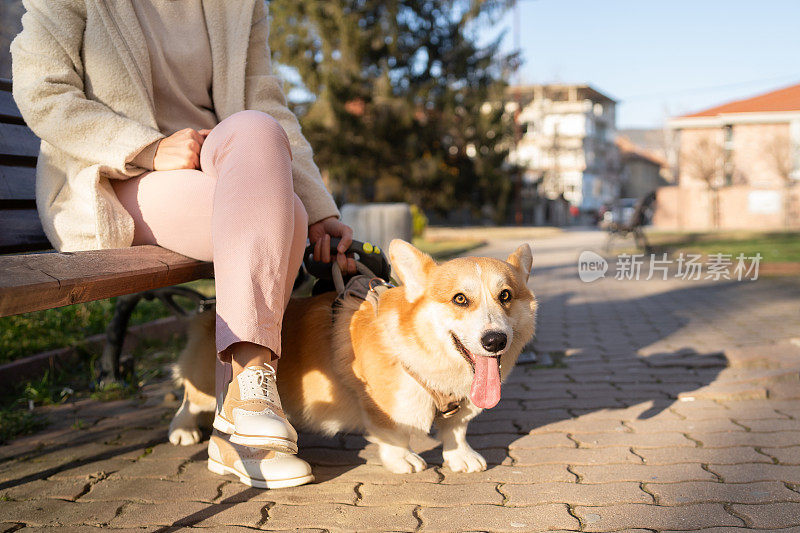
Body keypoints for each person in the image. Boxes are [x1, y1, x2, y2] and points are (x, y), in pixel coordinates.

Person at [11, 0, 354, 488]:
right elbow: (42, 90)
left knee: (260, 129)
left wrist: (321, 208)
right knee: (285, 214)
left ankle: (239, 416)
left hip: (226, 168)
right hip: (116, 176)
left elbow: (265, 101)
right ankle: (245, 410)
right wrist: (146, 148)